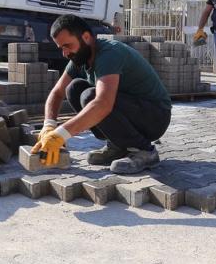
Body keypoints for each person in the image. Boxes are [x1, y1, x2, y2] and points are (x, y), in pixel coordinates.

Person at [34, 15, 172, 174]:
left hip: (155, 116)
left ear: (86, 37)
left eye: (68, 46)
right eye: (61, 48)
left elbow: (103, 104)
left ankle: (145, 151)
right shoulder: (80, 56)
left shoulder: (109, 54)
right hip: (133, 109)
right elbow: (57, 93)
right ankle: (118, 146)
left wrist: (60, 135)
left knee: (91, 97)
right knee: (74, 89)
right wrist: (49, 125)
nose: (65, 54)